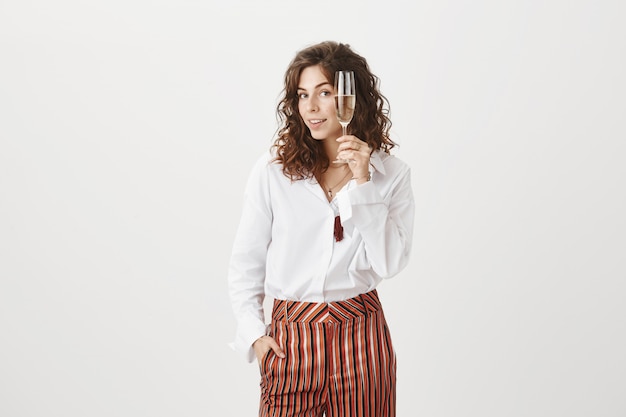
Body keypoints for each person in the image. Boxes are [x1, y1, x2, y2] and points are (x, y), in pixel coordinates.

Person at [227, 41, 414, 417]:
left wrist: (363, 185)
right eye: (302, 95)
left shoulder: (390, 175)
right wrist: (255, 336)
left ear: (351, 99)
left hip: (361, 334)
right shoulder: (273, 170)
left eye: (324, 93)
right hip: (290, 339)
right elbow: (245, 263)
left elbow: (390, 262)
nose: (310, 107)